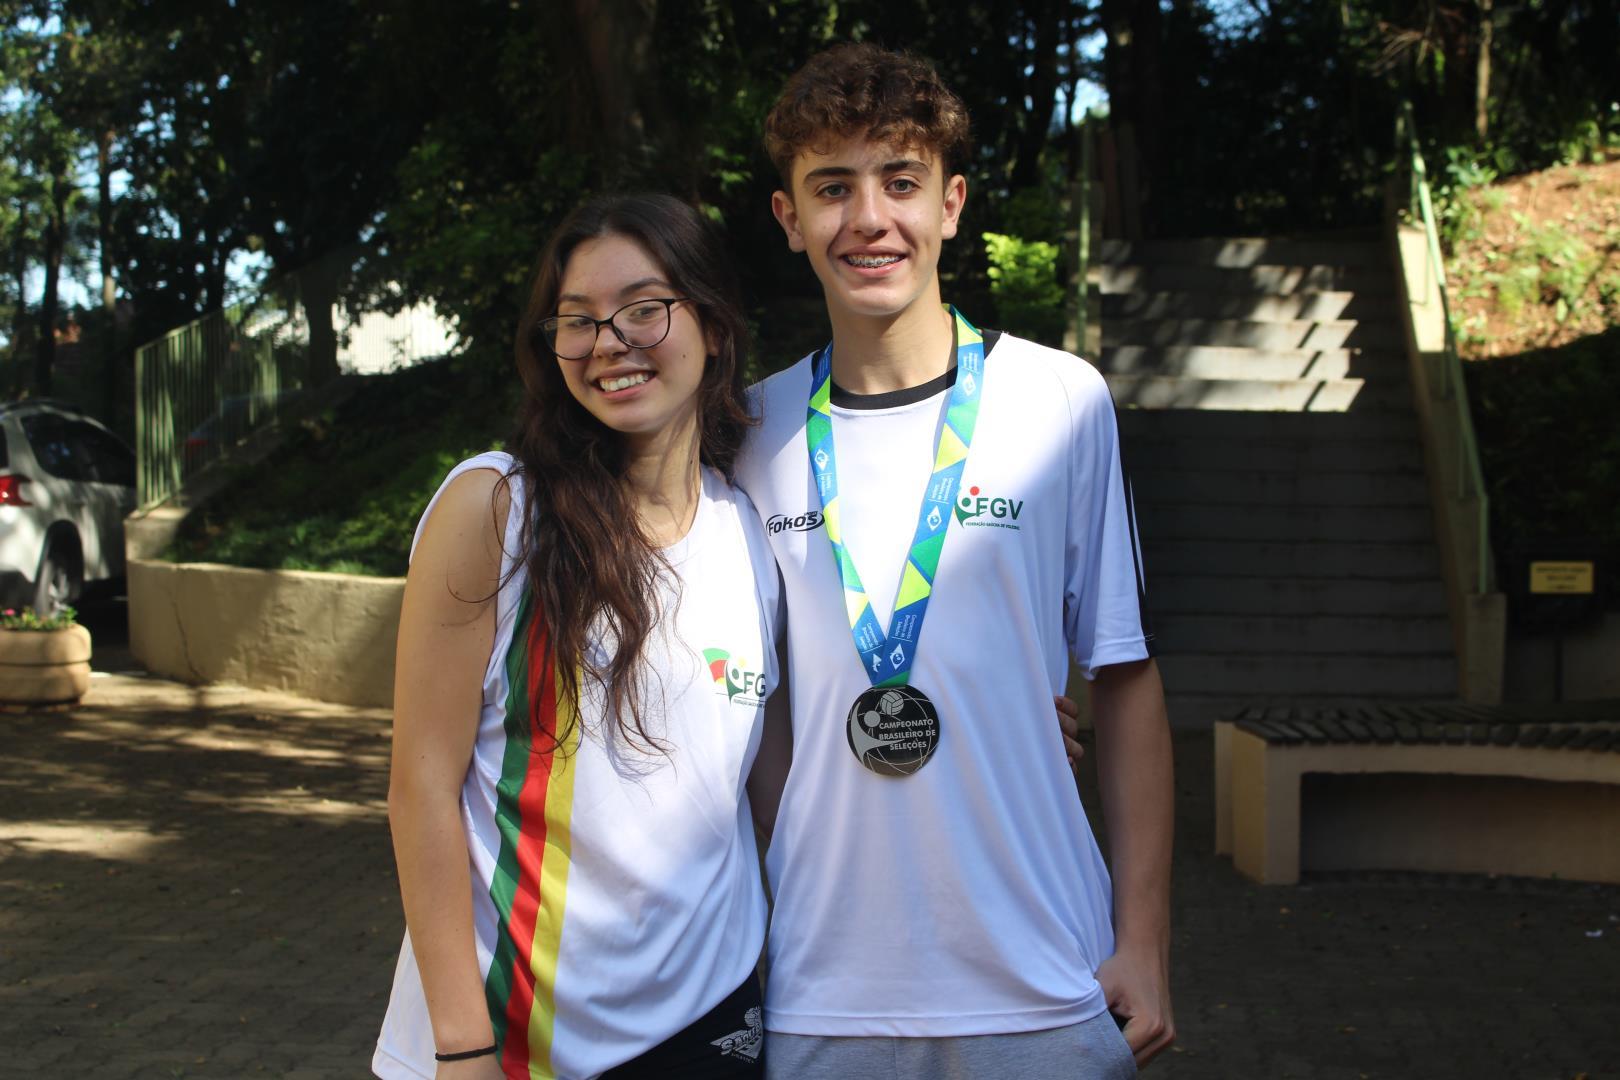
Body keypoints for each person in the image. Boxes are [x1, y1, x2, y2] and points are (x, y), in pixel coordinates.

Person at [733, 43, 1176, 1078]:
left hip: (1043, 979)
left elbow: (1124, 674)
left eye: (901, 182)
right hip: (817, 986)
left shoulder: (1058, 403)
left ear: (953, 203)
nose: (870, 219)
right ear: (789, 220)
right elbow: (748, 707)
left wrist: (1144, 943)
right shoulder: (750, 430)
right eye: (831, 188)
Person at [372, 193, 787, 1080]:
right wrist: (462, 1046)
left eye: (645, 308)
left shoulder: (753, 536)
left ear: (713, 327)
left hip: (717, 1019)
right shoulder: (496, 509)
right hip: (518, 1042)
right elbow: (420, 789)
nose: (610, 342)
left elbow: (776, 791)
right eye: (577, 321)